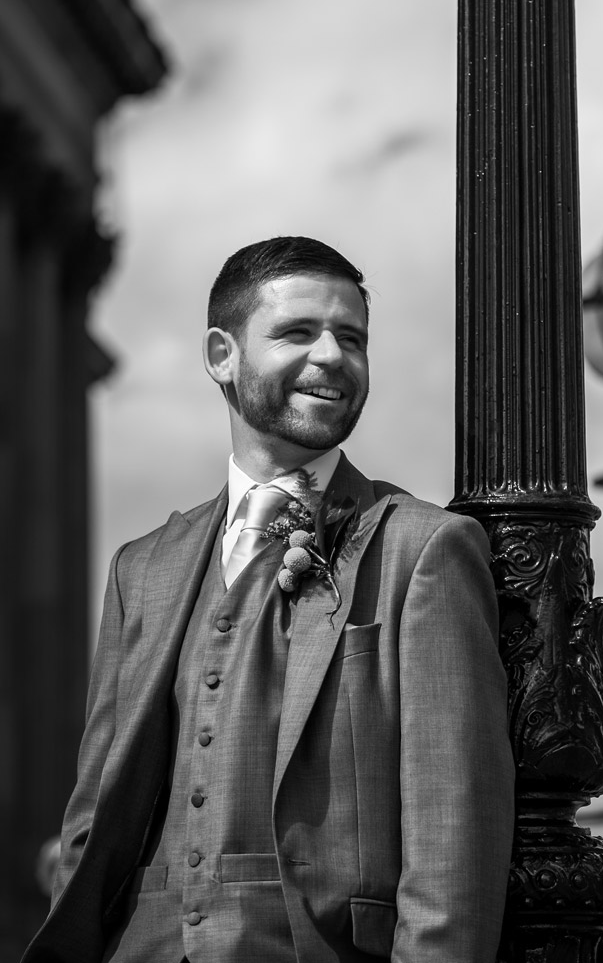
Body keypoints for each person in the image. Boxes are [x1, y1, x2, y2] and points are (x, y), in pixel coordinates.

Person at [26, 235, 514, 963]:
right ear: (222, 355)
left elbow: (454, 831)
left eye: (351, 337)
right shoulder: (143, 569)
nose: (331, 357)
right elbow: (94, 811)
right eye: (297, 332)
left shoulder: (424, 549)